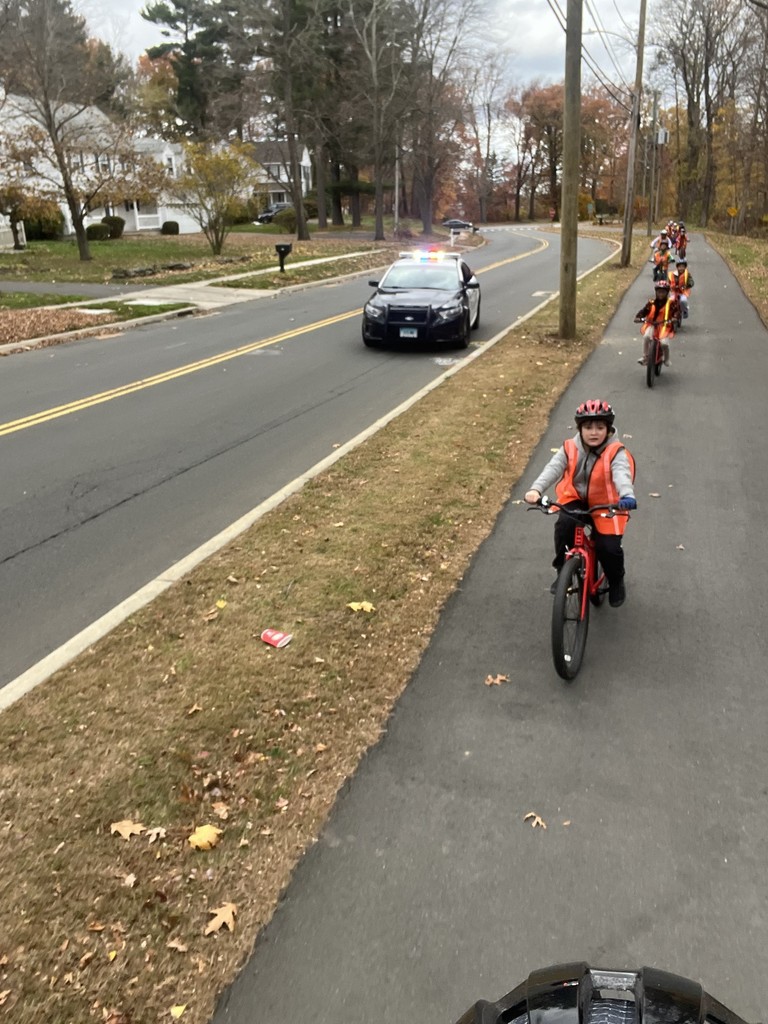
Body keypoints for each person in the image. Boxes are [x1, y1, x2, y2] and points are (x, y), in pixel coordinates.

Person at [524, 400, 637, 608]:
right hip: (576, 497)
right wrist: (536, 489)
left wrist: (627, 496)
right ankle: (562, 570)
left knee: (608, 547)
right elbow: (553, 468)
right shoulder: (569, 448)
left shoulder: (615, 451)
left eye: (600, 427)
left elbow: (622, 474)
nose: (594, 432)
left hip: (608, 504)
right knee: (565, 525)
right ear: (580, 429)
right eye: (588, 427)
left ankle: (616, 580)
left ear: (608, 429)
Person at [635, 278, 680, 366]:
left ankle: (666, 359)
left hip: (664, 326)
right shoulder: (651, 303)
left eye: (663, 292)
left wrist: (674, 318)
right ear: (656, 292)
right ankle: (645, 357)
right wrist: (638, 317)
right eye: (659, 292)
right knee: (646, 337)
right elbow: (644, 311)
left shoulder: (670, 303)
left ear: (667, 293)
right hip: (652, 324)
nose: (661, 294)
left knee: (664, 343)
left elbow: (676, 312)